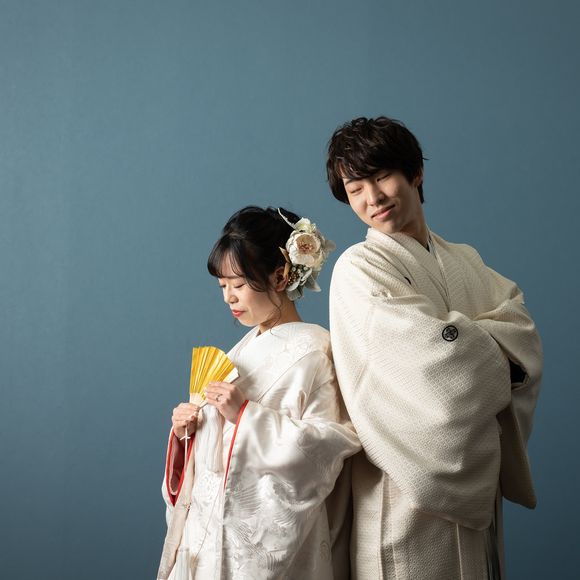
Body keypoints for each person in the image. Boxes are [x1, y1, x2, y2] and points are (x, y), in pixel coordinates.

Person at [326, 116, 542, 579]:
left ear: (416, 173)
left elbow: (523, 331)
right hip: (402, 490)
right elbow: (433, 367)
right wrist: (496, 354)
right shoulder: (359, 267)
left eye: (382, 176)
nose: (372, 198)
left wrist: (472, 348)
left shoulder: (464, 259)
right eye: (355, 188)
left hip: (478, 486)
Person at [158, 206, 360, 580]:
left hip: (258, 547)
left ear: (280, 276)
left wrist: (246, 417)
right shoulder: (240, 351)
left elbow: (327, 449)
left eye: (238, 285)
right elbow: (209, 465)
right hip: (206, 539)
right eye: (222, 287)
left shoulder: (316, 351)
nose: (228, 298)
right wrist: (187, 435)